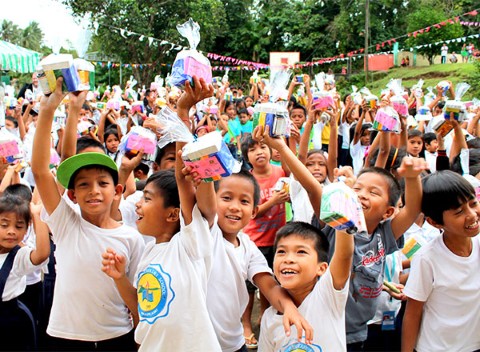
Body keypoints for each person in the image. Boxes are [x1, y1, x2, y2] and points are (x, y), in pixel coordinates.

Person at [101, 76, 222, 351]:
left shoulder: (189, 246)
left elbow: (182, 177)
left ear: (173, 214)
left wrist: (182, 112)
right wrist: (120, 277)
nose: (138, 206)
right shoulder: (148, 253)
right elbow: (142, 310)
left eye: (147, 198)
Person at [31, 77, 145, 350]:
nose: (93, 190)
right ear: (72, 195)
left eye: (102, 183)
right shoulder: (66, 223)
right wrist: (49, 111)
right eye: (83, 185)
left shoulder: (132, 238)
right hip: (65, 337)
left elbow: (139, 307)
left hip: (116, 337)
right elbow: (40, 171)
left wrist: (119, 277)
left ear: (117, 190)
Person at [402, 171, 480, 352]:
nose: (471, 215)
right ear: (435, 222)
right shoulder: (427, 259)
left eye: (473, 203)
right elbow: (413, 314)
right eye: (459, 211)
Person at [258, 221, 354, 351]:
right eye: (281, 251)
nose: (288, 259)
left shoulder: (327, 295)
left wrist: (342, 217)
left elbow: (344, 255)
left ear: (322, 268)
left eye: (301, 252)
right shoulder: (269, 317)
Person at [0, 196, 50, 351]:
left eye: (19, 226)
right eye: (4, 225)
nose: (11, 232)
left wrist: (37, 216)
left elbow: (41, 254)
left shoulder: (19, 256)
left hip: (10, 322)